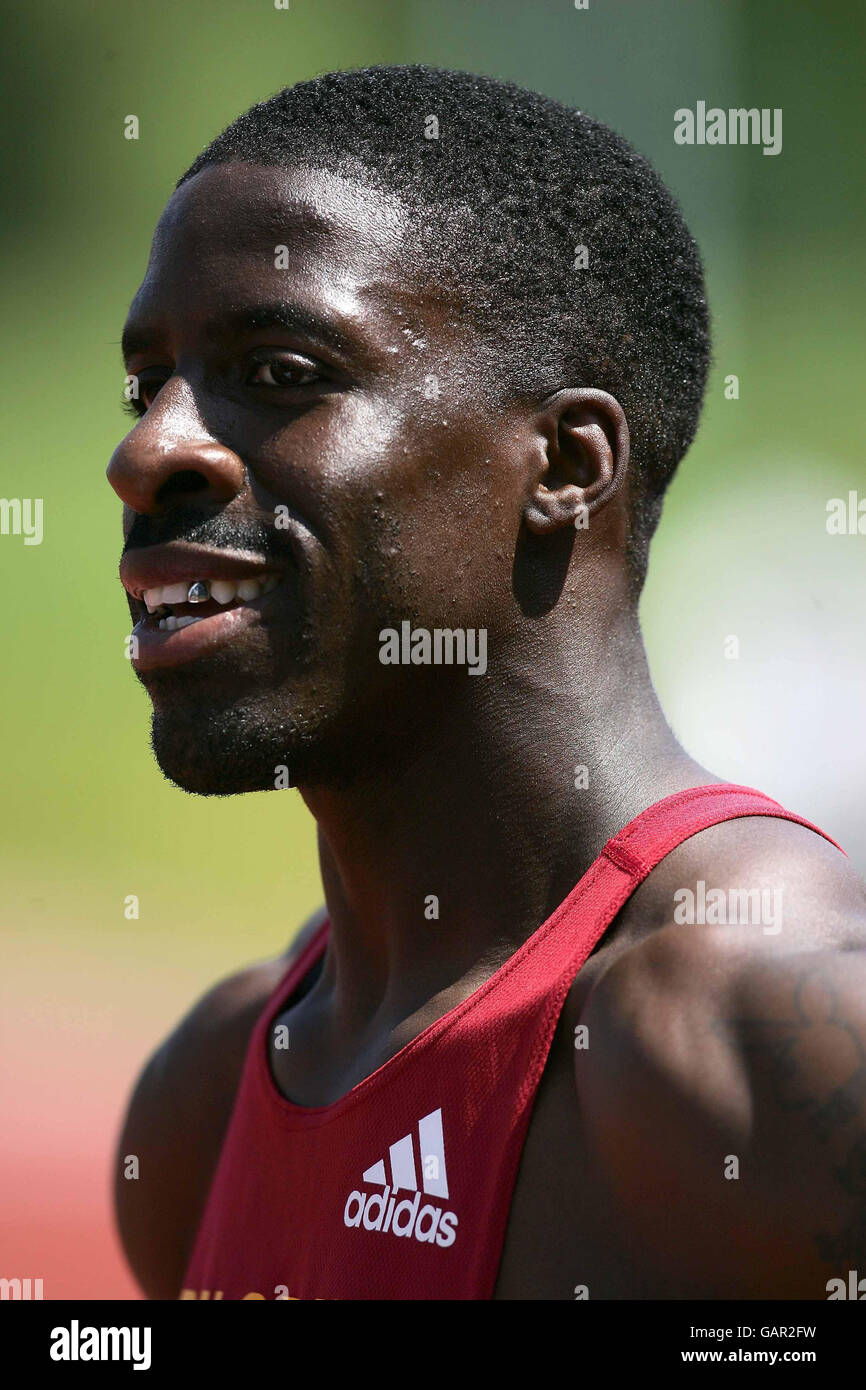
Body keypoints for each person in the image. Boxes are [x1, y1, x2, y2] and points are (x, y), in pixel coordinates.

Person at [110, 65, 866, 1300]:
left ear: (565, 463)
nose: (146, 452)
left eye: (282, 370)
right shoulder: (203, 1098)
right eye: (148, 386)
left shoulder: (761, 1057)